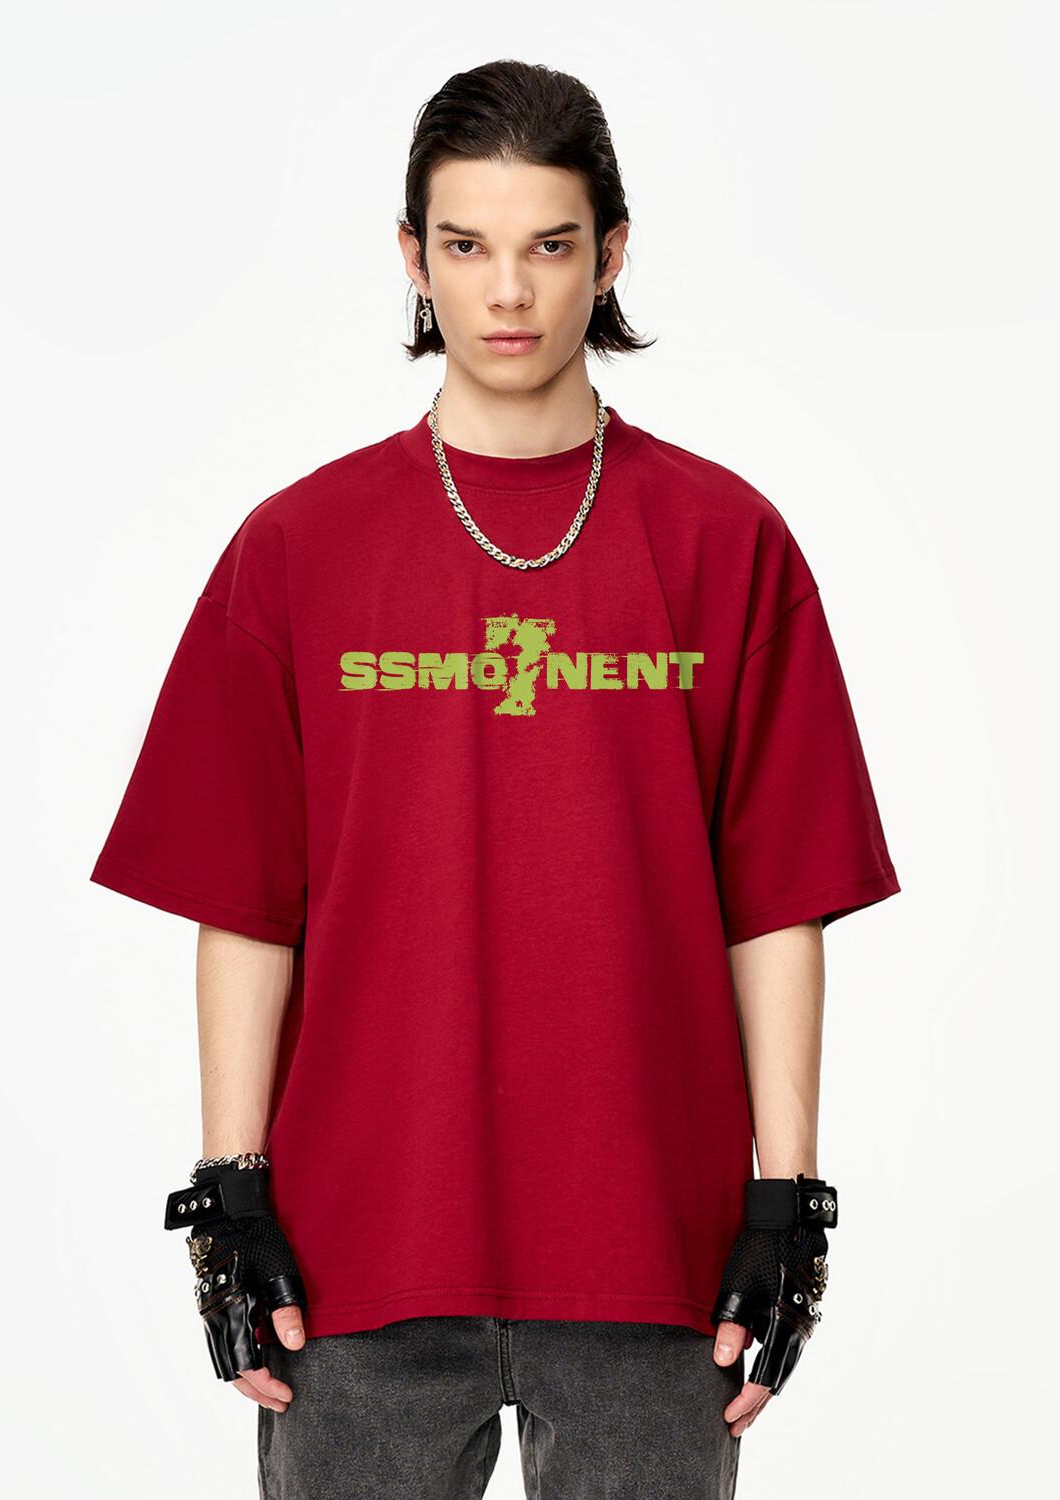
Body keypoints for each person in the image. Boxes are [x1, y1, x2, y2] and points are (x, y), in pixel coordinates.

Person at [92, 58, 899, 1500]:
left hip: (655, 1252)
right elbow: (245, 900)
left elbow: (778, 899)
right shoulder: (296, 550)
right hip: (358, 1250)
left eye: (549, 245)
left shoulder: (728, 545)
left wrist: (789, 1200)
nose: (508, 291)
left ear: (612, 254)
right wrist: (230, 1195)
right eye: (466, 246)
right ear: (414, 258)